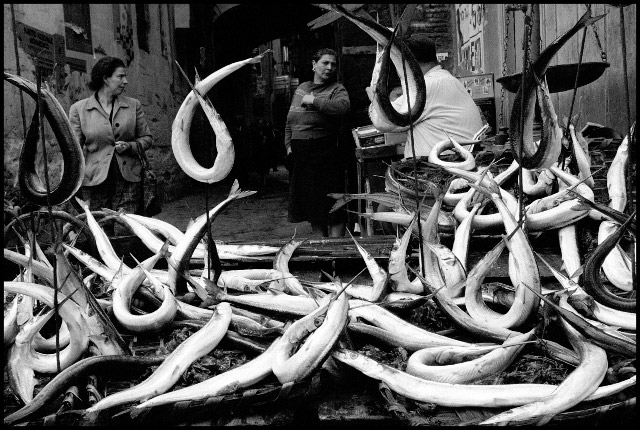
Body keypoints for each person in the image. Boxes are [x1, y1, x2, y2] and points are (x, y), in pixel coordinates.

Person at [69, 56, 152, 235]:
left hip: (128, 178)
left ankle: (127, 252)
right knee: (100, 230)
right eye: (120, 76)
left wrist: (130, 146)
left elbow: (147, 138)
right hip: (95, 180)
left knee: (127, 228)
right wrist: (71, 180)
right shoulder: (79, 109)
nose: (125, 81)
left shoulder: (133, 106)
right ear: (106, 78)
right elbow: (73, 149)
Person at [367, 33, 484, 158]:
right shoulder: (446, 79)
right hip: (455, 159)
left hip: (446, 164)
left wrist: (374, 98)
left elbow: (383, 121)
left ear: (410, 63)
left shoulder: (426, 85)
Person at [285, 48, 351, 238]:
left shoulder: (337, 89)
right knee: (312, 206)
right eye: (325, 63)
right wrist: (288, 146)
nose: (330, 67)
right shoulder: (302, 88)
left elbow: (343, 107)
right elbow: (290, 120)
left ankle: (336, 249)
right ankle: (322, 248)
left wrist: (314, 101)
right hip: (302, 155)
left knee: (333, 205)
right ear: (314, 65)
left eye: (333, 64)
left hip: (325, 153)